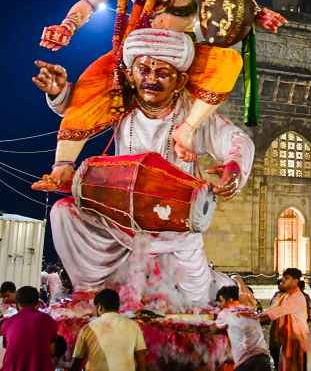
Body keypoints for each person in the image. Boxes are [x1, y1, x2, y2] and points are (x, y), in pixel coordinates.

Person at [38, 28, 254, 306]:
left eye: (162, 73)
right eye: (144, 70)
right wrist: (59, 93)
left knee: (193, 302)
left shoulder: (192, 115)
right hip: (120, 218)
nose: (151, 79)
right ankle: (91, 291)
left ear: (180, 80)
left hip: (173, 227)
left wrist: (234, 168)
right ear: (130, 74)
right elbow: (80, 108)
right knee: (64, 214)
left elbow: (237, 139)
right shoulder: (120, 103)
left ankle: (227, 283)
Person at [71, 288, 147, 371]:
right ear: (117, 306)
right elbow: (141, 360)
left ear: (100, 307)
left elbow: (77, 363)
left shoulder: (87, 328)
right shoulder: (133, 326)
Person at [258, 268, 311, 371]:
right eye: (283, 277)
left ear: (295, 281)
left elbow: (274, 313)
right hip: (288, 342)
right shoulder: (285, 296)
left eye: (286, 278)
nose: (283, 280)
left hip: (299, 343)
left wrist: (251, 319)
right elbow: (270, 310)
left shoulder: (296, 298)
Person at [0, 286, 60, 371]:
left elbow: (9, 348)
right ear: (37, 304)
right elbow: (52, 350)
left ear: (17, 305)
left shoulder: (7, 323)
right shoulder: (49, 320)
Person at [216, 285, 271, 371]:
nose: (218, 304)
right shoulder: (249, 309)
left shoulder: (225, 312)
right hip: (262, 356)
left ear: (230, 300)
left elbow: (213, 329)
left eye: (221, 301)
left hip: (245, 360)